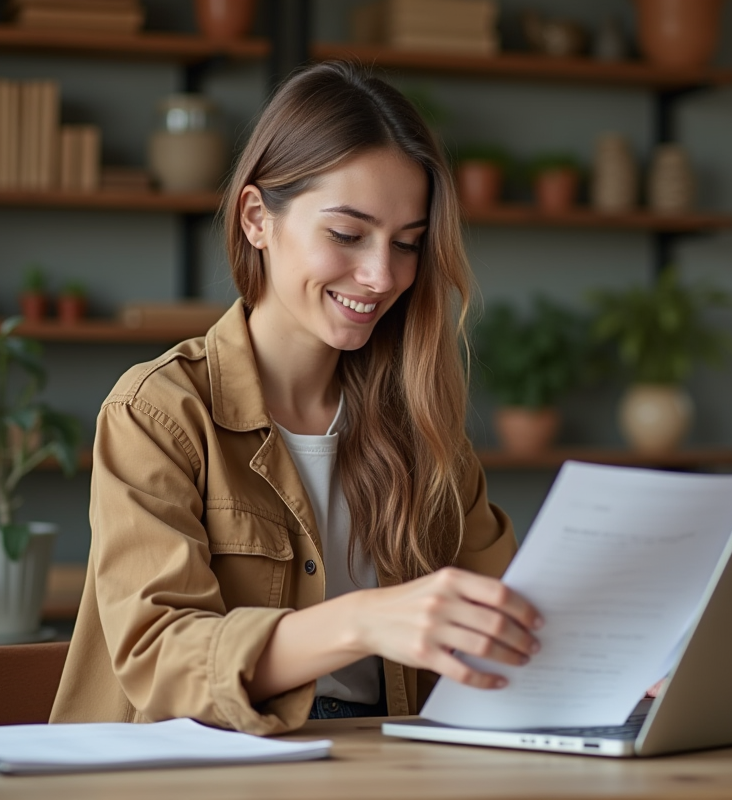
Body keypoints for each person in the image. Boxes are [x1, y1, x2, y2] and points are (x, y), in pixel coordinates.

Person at [50, 61, 543, 735]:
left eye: (408, 244)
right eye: (347, 234)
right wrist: (363, 620)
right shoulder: (157, 413)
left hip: (389, 760)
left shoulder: (420, 422)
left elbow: (508, 605)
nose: (380, 275)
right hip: (206, 770)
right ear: (257, 217)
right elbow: (160, 657)